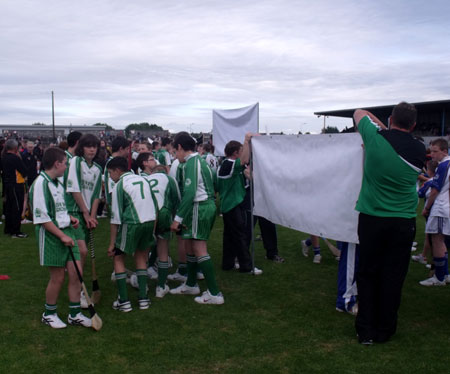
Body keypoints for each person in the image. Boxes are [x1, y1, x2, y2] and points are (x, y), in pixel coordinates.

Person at [353, 102, 426, 344]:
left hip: (372, 218)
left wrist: (384, 127)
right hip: (403, 221)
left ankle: (365, 331)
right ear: (414, 125)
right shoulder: (418, 148)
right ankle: (385, 330)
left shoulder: (376, 137)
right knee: (393, 276)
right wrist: (390, 129)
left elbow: (359, 112)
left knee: (367, 273)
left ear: (392, 118)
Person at [29, 147, 91, 328]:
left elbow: (58, 208)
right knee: (57, 278)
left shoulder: (58, 182)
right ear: (57, 164)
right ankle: (49, 314)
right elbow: (42, 217)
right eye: (65, 163)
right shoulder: (41, 183)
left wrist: (69, 218)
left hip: (66, 231)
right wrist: (62, 235)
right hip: (51, 235)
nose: (66, 167)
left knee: (76, 273)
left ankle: (75, 314)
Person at [169, 132, 224, 304]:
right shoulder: (202, 160)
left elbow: (190, 192)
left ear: (179, 147)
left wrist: (177, 218)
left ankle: (215, 294)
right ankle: (191, 284)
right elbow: (215, 183)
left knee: (199, 248)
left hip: (199, 207)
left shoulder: (191, 163)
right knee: (191, 246)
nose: (175, 155)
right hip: (205, 205)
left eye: (174, 151)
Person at [106, 156, 157, 311]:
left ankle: (124, 301)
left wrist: (112, 244)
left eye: (110, 173)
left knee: (118, 257)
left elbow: (115, 219)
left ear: (117, 170)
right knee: (141, 257)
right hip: (149, 220)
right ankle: (143, 299)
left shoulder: (119, 185)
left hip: (133, 222)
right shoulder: (144, 180)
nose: (109, 177)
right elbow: (154, 204)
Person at [65, 134, 102, 307]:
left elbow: (96, 195)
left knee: (80, 254)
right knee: (82, 251)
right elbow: (74, 188)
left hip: (87, 214)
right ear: (82, 147)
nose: (92, 149)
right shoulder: (76, 162)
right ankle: (79, 290)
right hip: (74, 211)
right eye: (88, 146)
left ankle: (76, 284)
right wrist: (85, 213)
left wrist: (93, 217)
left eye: (94, 146)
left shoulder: (97, 169)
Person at [217, 135, 262, 274]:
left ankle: (228, 263)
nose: (244, 152)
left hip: (229, 205)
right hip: (232, 205)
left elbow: (246, 170)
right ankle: (246, 266)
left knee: (230, 237)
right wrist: (247, 140)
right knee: (240, 236)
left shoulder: (226, 164)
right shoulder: (229, 164)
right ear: (236, 153)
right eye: (242, 150)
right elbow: (244, 161)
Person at [138, 155, 181, 297]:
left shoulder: (145, 179)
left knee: (144, 251)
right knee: (163, 249)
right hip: (163, 213)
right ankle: (161, 287)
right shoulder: (169, 179)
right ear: (165, 171)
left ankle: (142, 286)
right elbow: (177, 200)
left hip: (147, 214)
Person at [419, 138, 450, 286]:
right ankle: (444, 274)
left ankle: (439, 277)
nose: (432, 155)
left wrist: (426, 208)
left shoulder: (444, 165)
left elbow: (435, 190)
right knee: (441, 241)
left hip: (439, 208)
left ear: (444, 151)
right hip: (445, 208)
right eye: (431, 151)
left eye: (435, 151)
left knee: (437, 241)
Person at [1, 139, 28, 237]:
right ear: (15, 148)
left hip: (7, 185)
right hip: (16, 185)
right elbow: (24, 170)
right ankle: (15, 231)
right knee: (17, 208)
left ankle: (8, 228)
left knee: (9, 207)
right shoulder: (15, 158)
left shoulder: (3, 157)